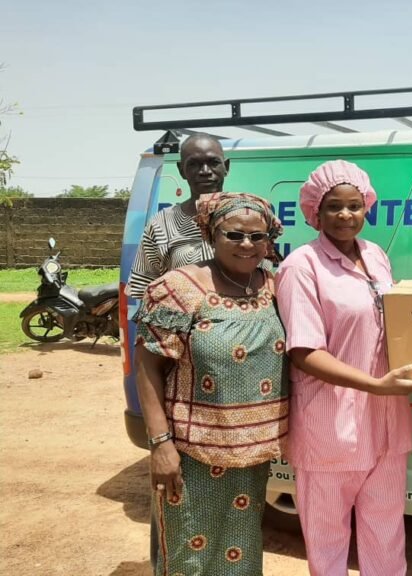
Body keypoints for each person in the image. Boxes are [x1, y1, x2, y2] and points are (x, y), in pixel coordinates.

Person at [274, 159, 412, 576]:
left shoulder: (376, 256)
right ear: (315, 211)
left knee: (386, 533)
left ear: (367, 207)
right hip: (331, 430)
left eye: (354, 205)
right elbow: (304, 352)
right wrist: (376, 384)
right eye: (333, 207)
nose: (345, 215)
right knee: (328, 542)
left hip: (385, 425)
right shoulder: (301, 266)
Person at [133, 192, 288, 576]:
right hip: (190, 456)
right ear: (211, 235)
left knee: (242, 553)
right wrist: (159, 445)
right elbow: (147, 367)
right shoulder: (178, 289)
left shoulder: (274, 286)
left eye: (258, 236)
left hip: (251, 457)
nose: (247, 244)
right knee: (191, 559)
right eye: (234, 235)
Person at [128, 133, 230, 299]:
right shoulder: (161, 224)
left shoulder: (250, 217)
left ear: (226, 167)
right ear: (181, 170)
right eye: (194, 165)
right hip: (179, 323)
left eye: (213, 163)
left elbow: (264, 282)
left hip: (239, 322)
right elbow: (142, 290)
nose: (205, 171)